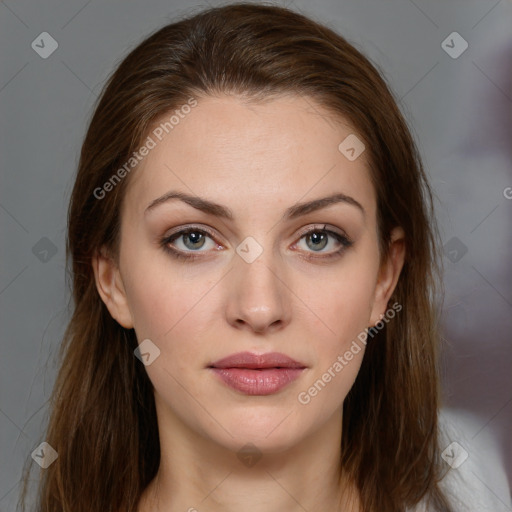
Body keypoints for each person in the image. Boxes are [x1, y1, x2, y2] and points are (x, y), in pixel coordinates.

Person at [19, 3, 507, 511]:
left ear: (385, 277)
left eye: (318, 239)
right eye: (193, 238)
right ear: (112, 279)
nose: (259, 307)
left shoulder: (484, 483)